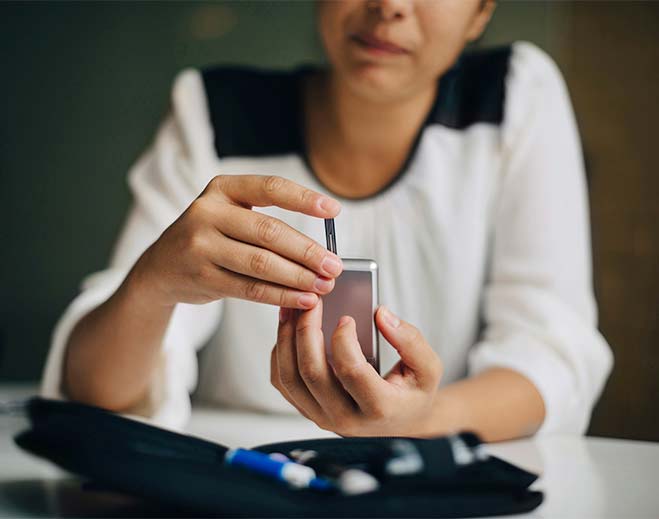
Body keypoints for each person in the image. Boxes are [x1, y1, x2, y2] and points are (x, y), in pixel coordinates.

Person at [42, 0, 612, 441]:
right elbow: (99, 398)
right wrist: (149, 287)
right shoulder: (213, 112)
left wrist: (422, 417)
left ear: (481, 11)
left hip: (431, 471)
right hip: (238, 476)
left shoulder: (517, 96)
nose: (389, 5)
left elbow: (551, 352)